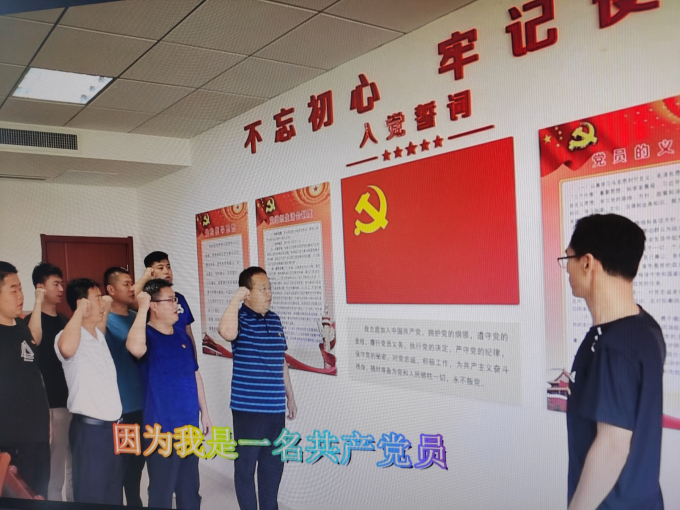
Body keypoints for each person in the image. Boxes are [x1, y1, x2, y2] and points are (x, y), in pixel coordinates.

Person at [563, 214, 666, 510]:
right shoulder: (646, 328)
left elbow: (613, 446)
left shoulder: (615, 346)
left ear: (587, 263)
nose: (567, 269)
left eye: (568, 258)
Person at [126, 279, 212, 510]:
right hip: (161, 430)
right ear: (153, 306)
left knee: (190, 490)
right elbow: (134, 348)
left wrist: (205, 412)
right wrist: (141, 308)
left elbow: (195, 374)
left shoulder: (182, 337)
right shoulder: (145, 336)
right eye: (171, 300)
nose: (176, 305)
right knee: (162, 492)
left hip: (189, 427)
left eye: (176, 300)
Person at [218, 266, 297, 510]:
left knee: (273, 467)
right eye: (263, 289)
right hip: (248, 411)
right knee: (245, 469)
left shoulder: (274, 319)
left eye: (269, 288)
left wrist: (290, 397)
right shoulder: (239, 318)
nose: (269, 293)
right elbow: (225, 332)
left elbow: (281, 361)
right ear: (247, 293)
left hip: (275, 409)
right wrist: (236, 299)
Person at [55, 278, 123, 505]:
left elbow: (101, 320)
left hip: (113, 430)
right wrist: (79, 311)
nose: (103, 303)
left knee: (112, 494)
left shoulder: (98, 336)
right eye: (97, 299)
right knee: (91, 497)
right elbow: (67, 348)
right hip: (90, 431)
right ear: (81, 304)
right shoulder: (67, 336)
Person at [0, 261, 50, 497]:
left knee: (40, 496)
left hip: (37, 439)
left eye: (20, 288)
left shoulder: (21, 325)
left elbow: (33, 376)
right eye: (13, 290)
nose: (20, 295)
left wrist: (45, 420)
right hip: (9, 445)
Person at [24, 263, 73, 502]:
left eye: (62, 284)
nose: (61, 289)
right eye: (56, 284)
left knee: (74, 466)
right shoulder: (30, 323)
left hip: (72, 402)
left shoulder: (65, 320)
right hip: (52, 405)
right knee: (55, 470)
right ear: (40, 287)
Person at [103, 266, 145, 507]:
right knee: (123, 465)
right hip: (122, 405)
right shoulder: (105, 321)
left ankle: (135, 502)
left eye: (132, 283)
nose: (132, 289)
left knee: (137, 463)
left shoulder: (136, 317)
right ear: (110, 290)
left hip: (143, 401)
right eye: (126, 284)